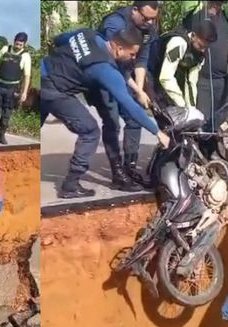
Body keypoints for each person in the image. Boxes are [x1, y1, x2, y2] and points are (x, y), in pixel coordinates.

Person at [41, 27, 170, 199]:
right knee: (90, 131)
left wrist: (139, 91)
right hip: (55, 91)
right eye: (132, 54)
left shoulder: (89, 34)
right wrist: (157, 132)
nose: (133, 59)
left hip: (43, 73)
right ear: (119, 49)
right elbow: (129, 105)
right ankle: (70, 185)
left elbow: (59, 39)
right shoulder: (103, 68)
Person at [87, 0, 159, 191]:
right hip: (103, 73)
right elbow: (116, 65)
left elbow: (141, 61)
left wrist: (140, 91)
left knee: (134, 118)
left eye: (153, 19)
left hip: (126, 73)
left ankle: (130, 166)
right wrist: (135, 91)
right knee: (112, 122)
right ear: (134, 10)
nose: (150, 23)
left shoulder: (148, 27)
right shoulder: (115, 24)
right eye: (146, 18)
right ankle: (118, 173)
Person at [182, 1, 228, 158]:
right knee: (203, 121)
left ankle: (210, 154)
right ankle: (200, 157)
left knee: (219, 120)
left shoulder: (225, 14)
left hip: (222, 79)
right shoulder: (197, 13)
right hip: (203, 79)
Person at [148, 20, 217, 110]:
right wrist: (181, 104)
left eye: (206, 47)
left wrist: (191, 109)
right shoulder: (178, 43)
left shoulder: (200, 54)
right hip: (150, 71)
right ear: (193, 36)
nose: (203, 50)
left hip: (165, 76)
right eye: (200, 46)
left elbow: (191, 81)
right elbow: (165, 77)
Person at [0, 32, 31, 144]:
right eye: (17, 44)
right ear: (14, 41)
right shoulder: (5, 49)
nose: (18, 46)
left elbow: (27, 76)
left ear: (24, 44)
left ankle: (2, 135)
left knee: (6, 113)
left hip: (12, 88)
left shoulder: (26, 56)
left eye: (20, 45)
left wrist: (24, 93)